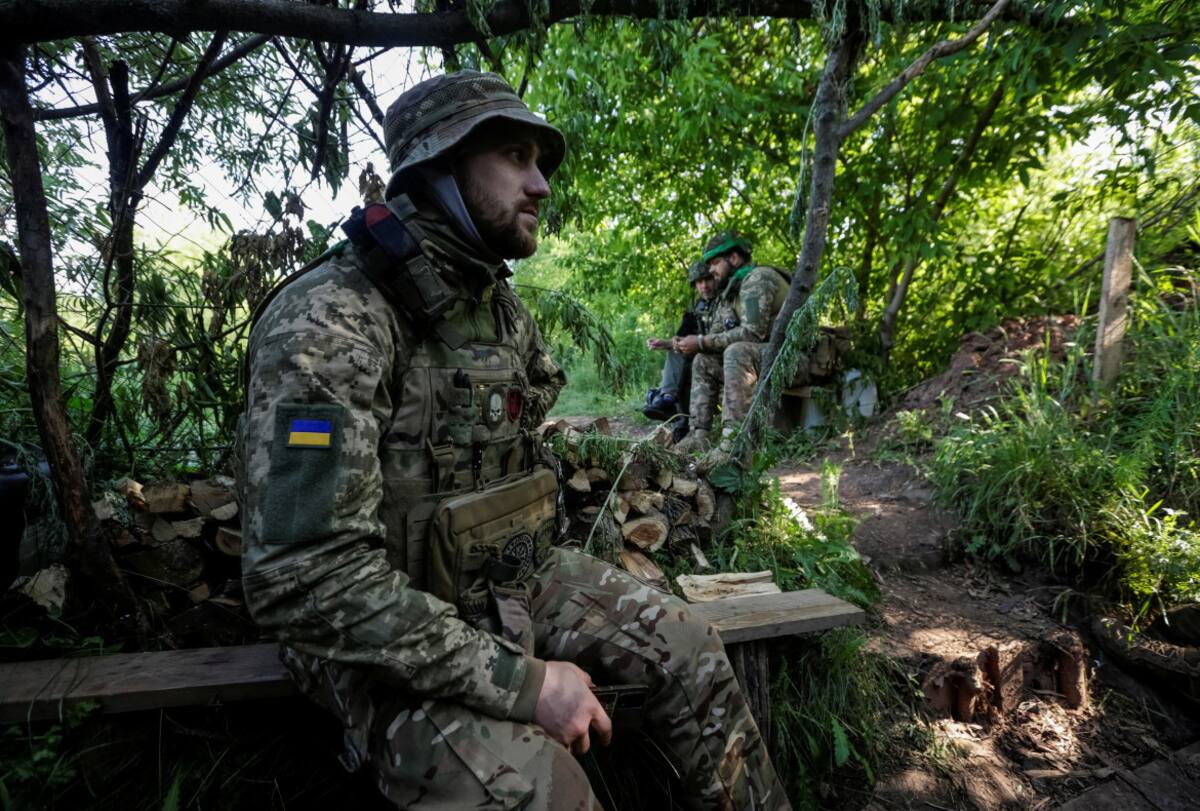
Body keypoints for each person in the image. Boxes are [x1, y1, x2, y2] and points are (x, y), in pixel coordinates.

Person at [238, 71, 789, 810]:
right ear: (440, 164)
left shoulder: (495, 308)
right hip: (378, 637)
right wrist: (526, 683)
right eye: (516, 157)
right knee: (539, 789)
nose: (542, 185)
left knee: (689, 648)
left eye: (540, 163)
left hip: (504, 586)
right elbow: (305, 578)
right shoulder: (335, 319)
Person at [673, 230, 790, 456]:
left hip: (793, 359)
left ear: (734, 258)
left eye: (715, 263)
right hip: (766, 358)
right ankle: (699, 435)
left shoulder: (758, 279)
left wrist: (701, 340)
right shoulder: (732, 290)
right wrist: (691, 343)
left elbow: (752, 333)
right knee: (703, 359)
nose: (711, 271)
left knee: (736, 351)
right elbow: (717, 332)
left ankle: (733, 439)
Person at [642, 260, 721, 425]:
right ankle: (669, 402)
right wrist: (666, 343)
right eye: (699, 282)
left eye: (708, 280)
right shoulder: (697, 309)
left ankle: (668, 402)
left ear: (716, 278)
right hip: (705, 354)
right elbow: (683, 340)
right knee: (677, 353)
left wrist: (698, 344)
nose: (704, 286)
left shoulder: (725, 302)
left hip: (723, 356)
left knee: (689, 367)